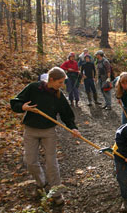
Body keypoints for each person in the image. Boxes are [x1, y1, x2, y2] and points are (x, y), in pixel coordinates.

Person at [10, 67, 81, 205]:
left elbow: (67, 114)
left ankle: (56, 192)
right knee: (30, 161)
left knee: (51, 163)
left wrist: (73, 128)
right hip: (31, 130)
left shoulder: (58, 96)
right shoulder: (33, 88)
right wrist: (23, 107)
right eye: (60, 82)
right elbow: (15, 102)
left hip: (48, 132)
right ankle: (41, 184)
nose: (62, 85)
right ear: (51, 80)